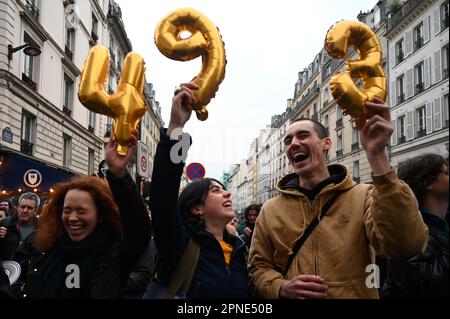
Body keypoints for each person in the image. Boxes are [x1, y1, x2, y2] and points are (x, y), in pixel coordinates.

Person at [248, 98, 428, 299]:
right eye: (288, 140)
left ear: (326, 143)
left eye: (303, 135)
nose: (294, 144)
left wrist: (377, 156)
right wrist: (280, 287)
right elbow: (257, 266)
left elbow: (406, 244)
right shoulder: (270, 209)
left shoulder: (364, 196)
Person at [12, 131, 151, 298]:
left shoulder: (112, 252)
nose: (72, 218)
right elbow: (15, 271)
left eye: (81, 211)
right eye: (67, 210)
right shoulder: (43, 242)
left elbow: (139, 228)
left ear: (101, 215)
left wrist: (119, 174)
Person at [150, 82, 250, 299]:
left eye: (223, 189)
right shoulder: (182, 244)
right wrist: (176, 127)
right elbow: (163, 196)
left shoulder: (240, 250)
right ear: (196, 209)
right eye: (215, 190)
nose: (227, 193)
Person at [381, 153, 448, 298]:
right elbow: (424, 284)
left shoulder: (441, 224)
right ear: (428, 183)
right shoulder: (409, 232)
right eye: (446, 172)